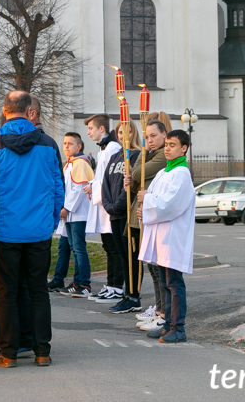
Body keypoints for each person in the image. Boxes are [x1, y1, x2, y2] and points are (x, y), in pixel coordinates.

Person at [0, 91, 64, 368]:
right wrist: (50, 223)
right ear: (29, 112)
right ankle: (42, 352)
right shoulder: (49, 144)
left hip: (5, 230)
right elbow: (57, 189)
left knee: (7, 292)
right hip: (39, 231)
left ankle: (9, 353)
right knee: (38, 291)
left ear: (4, 112)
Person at [137, 129, 196, 344]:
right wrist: (144, 206)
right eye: (167, 144)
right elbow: (153, 197)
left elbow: (169, 204)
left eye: (172, 145)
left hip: (172, 237)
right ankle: (168, 325)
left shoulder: (181, 174)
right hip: (161, 235)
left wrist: (147, 202)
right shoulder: (164, 172)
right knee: (164, 281)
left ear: (184, 148)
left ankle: (178, 328)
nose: (167, 148)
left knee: (174, 283)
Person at [125, 117, 169, 331]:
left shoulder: (161, 156)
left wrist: (141, 153)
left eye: (153, 136)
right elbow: (136, 182)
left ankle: (163, 311)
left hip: (153, 216)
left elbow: (138, 173)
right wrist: (132, 183)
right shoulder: (151, 154)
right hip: (144, 213)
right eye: (147, 137)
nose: (149, 140)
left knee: (158, 268)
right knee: (152, 267)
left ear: (164, 135)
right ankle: (159, 308)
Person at [102, 120, 142, 313]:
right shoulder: (115, 156)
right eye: (119, 132)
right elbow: (106, 183)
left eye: (126, 132)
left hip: (126, 214)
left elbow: (131, 187)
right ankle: (126, 295)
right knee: (120, 256)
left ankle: (133, 295)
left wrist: (117, 205)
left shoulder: (136, 156)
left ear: (133, 134)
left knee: (130, 256)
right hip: (114, 214)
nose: (122, 136)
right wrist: (108, 205)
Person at [83, 114, 122, 303]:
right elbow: (101, 177)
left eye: (91, 128)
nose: (88, 132)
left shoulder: (112, 148)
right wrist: (93, 184)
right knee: (108, 246)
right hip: (104, 203)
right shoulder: (105, 149)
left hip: (109, 204)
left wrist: (94, 186)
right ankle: (111, 284)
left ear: (101, 129)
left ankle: (116, 286)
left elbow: (111, 178)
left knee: (113, 247)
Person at [57, 132, 94, 297]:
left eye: (70, 144)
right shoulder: (69, 164)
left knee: (79, 248)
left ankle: (84, 283)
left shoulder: (79, 163)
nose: (66, 147)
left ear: (79, 146)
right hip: (72, 214)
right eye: (64, 143)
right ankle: (77, 282)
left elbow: (78, 190)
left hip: (78, 213)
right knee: (74, 247)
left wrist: (67, 208)